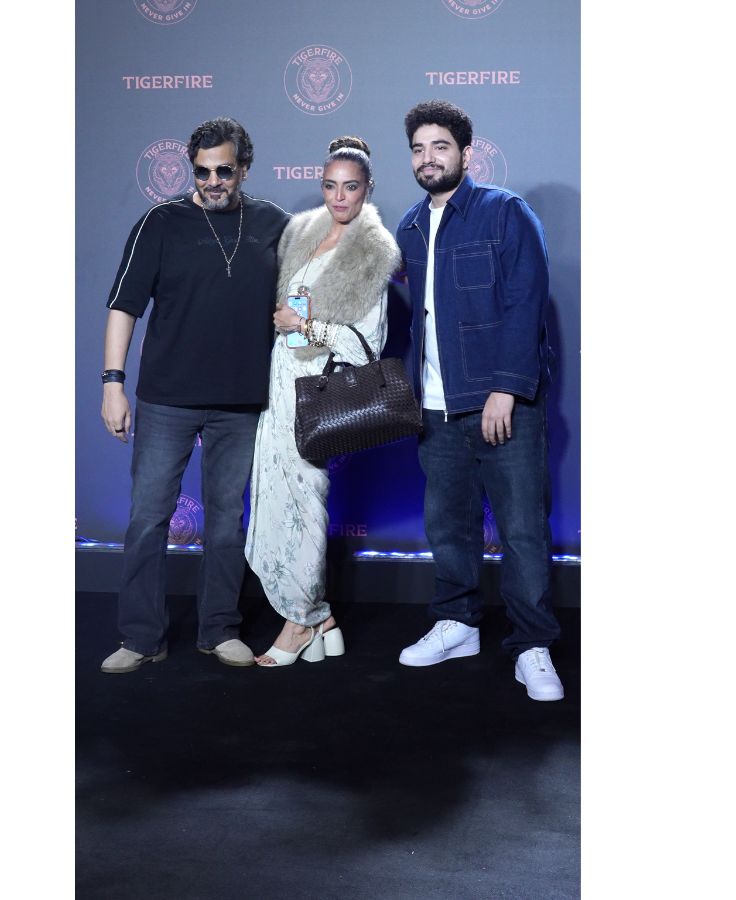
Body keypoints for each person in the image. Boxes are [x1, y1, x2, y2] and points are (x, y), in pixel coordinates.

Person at [99, 117, 290, 673]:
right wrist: (113, 384)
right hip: (166, 399)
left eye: (223, 171)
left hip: (241, 402)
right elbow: (123, 307)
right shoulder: (159, 222)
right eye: (202, 171)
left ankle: (219, 629)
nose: (212, 182)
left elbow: (304, 291)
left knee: (227, 521)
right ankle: (141, 637)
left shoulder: (274, 223)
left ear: (244, 169)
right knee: (147, 517)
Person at [394, 100, 564, 701]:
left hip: (502, 405)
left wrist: (505, 389)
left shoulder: (504, 212)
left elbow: (525, 302)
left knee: (521, 530)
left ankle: (533, 644)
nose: (428, 158)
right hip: (435, 409)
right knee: (448, 526)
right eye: (418, 149)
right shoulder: (410, 227)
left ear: (466, 153)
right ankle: (458, 623)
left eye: (440, 146)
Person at [244, 136, 400, 667]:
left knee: (306, 503)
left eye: (350, 187)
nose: (339, 197)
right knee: (274, 499)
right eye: (331, 186)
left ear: (367, 188)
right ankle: (320, 618)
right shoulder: (302, 232)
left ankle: (298, 623)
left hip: (317, 391)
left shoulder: (374, 251)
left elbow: (368, 346)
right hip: (278, 383)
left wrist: (306, 325)